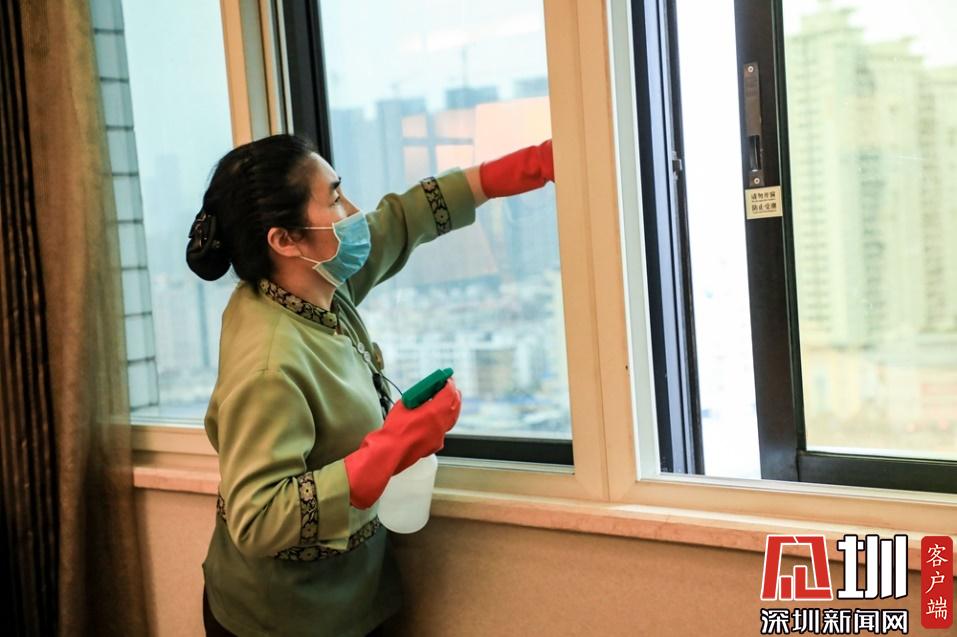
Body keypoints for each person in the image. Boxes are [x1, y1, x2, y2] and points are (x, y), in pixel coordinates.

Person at [186, 133, 554, 636]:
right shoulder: (270, 366)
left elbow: (397, 222)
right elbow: (258, 518)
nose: (354, 212)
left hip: (354, 595)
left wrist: (521, 169)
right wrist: (391, 446)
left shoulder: (307, 287)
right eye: (335, 197)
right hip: (285, 619)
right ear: (285, 240)